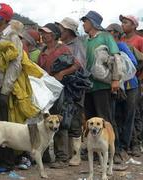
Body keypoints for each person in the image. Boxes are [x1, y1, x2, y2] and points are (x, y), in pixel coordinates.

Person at [37, 23, 81, 168]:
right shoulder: (43, 51)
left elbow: (76, 65)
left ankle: (62, 157)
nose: (43, 35)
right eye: (42, 32)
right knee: (45, 120)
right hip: (46, 90)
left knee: (59, 121)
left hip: (60, 90)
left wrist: (62, 73)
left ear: (54, 35)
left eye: (46, 33)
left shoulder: (63, 49)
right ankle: (45, 156)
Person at [80, 11, 122, 163]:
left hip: (102, 85)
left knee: (106, 120)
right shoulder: (85, 40)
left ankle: (114, 152)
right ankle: (95, 152)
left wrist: (116, 79)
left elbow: (116, 57)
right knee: (91, 120)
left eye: (85, 21)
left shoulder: (106, 37)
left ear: (92, 22)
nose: (83, 24)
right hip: (88, 86)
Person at [0, 3, 22, 169]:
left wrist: (5, 90)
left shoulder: (12, 37)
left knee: (5, 126)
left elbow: (15, 65)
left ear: (3, 19)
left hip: (2, 87)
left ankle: (7, 162)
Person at [56, 17, 86, 166]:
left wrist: (63, 73)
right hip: (65, 89)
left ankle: (76, 155)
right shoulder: (62, 45)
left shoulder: (77, 45)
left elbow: (79, 65)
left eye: (61, 28)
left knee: (74, 121)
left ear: (68, 31)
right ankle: (65, 155)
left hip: (75, 89)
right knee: (64, 119)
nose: (59, 31)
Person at [106, 23, 139, 161]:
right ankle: (119, 146)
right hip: (117, 87)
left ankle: (125, 146)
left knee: (127, 117)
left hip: (130, 86)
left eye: (108, 32)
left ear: (115, 33)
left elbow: (132, 63)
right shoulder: (109, 47)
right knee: (117, 116)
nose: (106, 34)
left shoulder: (121, 46)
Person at [120, 14, 143, 157]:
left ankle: (136, 143)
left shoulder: (139, 40)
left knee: (135, 113)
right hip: (123, 82)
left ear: (134, 25)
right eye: (122, 22)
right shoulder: (121, 40)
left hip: (136, 81)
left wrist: (140, 80)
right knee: (123, 113)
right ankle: (125, 143)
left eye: (126, 22)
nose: (123, 24)